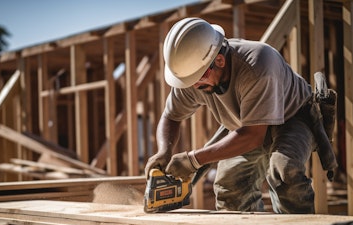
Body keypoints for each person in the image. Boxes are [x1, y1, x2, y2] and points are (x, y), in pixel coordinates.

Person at [144, 17, 337, 214]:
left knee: (284, 170)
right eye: (188, 81)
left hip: (293, 116)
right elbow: (171, 116)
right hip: (246, 125)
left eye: (198, 79)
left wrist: (193, 159)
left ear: (219, 60)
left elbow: (254, 135)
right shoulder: (192, 74)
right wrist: (163, 151)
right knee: (230, 185)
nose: (194, 86)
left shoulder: (258, 64)